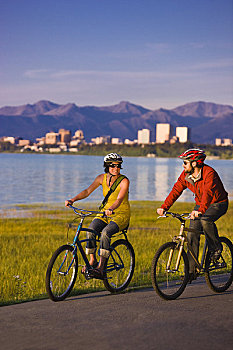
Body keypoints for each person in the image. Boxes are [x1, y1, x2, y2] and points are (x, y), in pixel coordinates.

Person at [157, 149, 228, 282]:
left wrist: (200, 210)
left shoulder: (209, 173)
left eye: (185, 163)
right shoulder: (186, 175)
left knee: (206, 221)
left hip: (218, 203)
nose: (183, 166)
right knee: (191, 234)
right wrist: (164, 207)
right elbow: (176, 190)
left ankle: (216, 248)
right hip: (201, 204)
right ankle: (191, 271)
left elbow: (208, 193)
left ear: (195, 163)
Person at [65, 153, 130, 279]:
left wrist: (111, 208)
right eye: (112, 166)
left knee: (106, 233)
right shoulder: (101, 178)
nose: (116, 168)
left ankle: (101, 267)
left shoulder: (124, 181)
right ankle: (92, 260)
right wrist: (73, 200)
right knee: (91, 230)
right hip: (104, 213)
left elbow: (120, 199)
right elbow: (87, 191)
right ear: (107, 166)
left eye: (118, 166)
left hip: (120, 214)